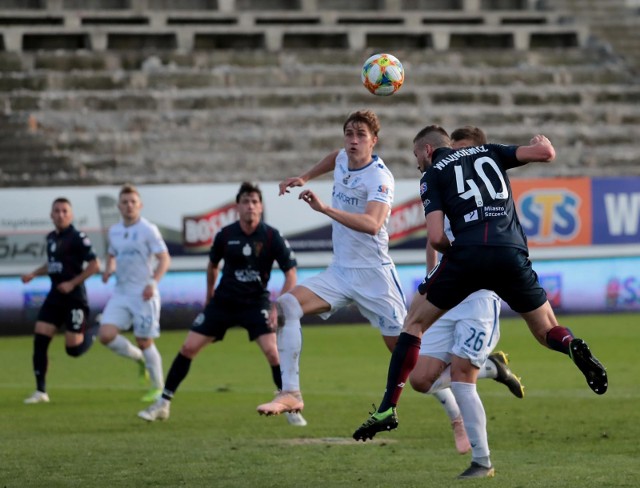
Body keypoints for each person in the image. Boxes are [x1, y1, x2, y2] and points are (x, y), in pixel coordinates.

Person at [353, 126, 608, 476]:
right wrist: (541, 143)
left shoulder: (433, 174)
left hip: (468, 261)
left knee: (413, 323)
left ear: (427, 151)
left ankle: (387, 408)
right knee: (546, 327)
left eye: (416, 157)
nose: (416, 164)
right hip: (510, 253)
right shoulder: (491, 152)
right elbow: (545, 154)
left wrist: (458, 260)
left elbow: (436, 237)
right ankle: (570, 345)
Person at [256, 110, 407, 416]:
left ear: (374, 141)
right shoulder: (342, 158)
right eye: (349, 134)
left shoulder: (379, 177)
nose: (353, 141)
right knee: (286, 306)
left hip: (374, 276)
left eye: (360, 135)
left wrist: (325, 209)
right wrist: (304, 177)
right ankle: (291, 393)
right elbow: (333, 157)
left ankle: (471, 390)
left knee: (413, 366)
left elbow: (372, 224)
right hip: (340, 273)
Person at [407, 126, 524, 478]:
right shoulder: (447, 181)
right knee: (420, 379)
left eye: (465, 152)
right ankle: (491, 367)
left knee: (461, 378)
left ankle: (482, 461)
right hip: (448, 294)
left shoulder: (492, 193)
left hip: (477, 296)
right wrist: (433, 277)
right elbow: (434, 236)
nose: (458, 159)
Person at [138, 182, 306, 426]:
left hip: (255, 302)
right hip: (224, 301)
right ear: (237, 206)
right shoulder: (225, 235)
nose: (250, 206)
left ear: (261, 207)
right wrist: (209, 297)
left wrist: (277, 306)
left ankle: (290, 407)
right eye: (246, 201)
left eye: (255, 202)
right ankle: (163, 403)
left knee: (272, 351)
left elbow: (291, 272)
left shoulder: (271, 236)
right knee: (188, 348)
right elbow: (212, 266)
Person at [22, 198, 101, 404]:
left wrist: (72, 283)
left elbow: (94, 265)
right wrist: (34, 273)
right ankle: (41, 391)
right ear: (51, 215)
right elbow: (53, 264)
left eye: (65, 211)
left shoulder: (77, 237)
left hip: (75, 298)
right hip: (55, 297)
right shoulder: (51, 238)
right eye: (56, 211)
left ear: (71, 215)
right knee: (40, 338)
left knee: (73, 349)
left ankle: (97, 328)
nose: (60, 214)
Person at [98, 184, 171, 402]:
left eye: (133, 202)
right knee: (105, 335)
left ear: (140, 205)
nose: (129, 206)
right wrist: (109, 268)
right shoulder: (115, 231)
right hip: (121, 293)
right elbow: (111, 254)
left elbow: (165, 259)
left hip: (143, 294)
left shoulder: (148, 230)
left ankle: (158, 388)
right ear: (119, 206)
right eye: (125, 202)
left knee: (144, 339)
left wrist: (152, 283)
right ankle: (139, 359)